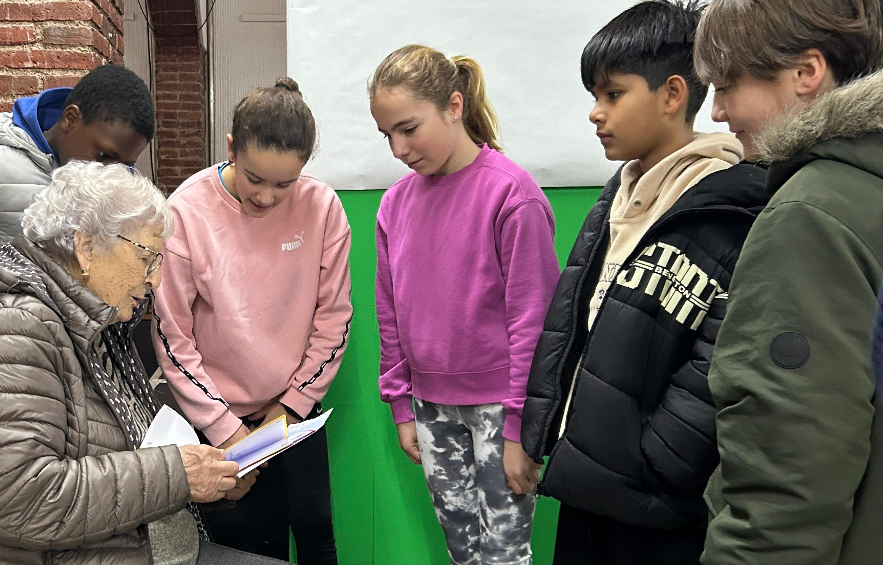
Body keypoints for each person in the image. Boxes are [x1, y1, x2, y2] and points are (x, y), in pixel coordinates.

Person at [519, 2, 770, 564]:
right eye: (594, 96)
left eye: (613, 94)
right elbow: (573, 319)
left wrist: (660, 457)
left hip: (657, 503)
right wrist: (541, 428)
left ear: (672, 94)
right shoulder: (618, 194)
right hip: (587, 479)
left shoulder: (729, 203)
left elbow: (723, 350)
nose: (595, 113)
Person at [0, 160, 290, 565]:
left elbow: (133, 453)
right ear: (86, 248)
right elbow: (23, 500)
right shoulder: (21, 326)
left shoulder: (95, 320)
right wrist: (179, 476)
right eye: (146, 258)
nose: (155, 279)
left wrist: (206, 479)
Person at [691, 1, 883, 563]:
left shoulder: (810, 214)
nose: (718, 112)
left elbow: (786, 487)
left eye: (726, 86)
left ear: (806, 72)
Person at [370, 44, 560, 565]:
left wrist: (520, 429)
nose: (398, 148)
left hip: (501, 410)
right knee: (461, 550)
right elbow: (390, 314)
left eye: (409, 128)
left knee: (503, 555)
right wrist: (401, 405)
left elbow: (534, 324)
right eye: (387, 134)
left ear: (454, 106)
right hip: (430, 406)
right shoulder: (394, 204)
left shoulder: (512, 195)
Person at [151, 78, 351, 564]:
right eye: (254, 178)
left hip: (294, 410)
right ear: (231, 149)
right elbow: (173, 337)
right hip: (218, 416)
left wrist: (293, 406)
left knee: (316, 530)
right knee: (246, 544)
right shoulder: (186, 212)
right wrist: (224, 428)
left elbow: (334, 318)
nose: (266, 197)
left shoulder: (322, 207)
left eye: (285, 184)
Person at [0, 64, 155, 243]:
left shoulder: (118, 185)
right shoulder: (5, 161)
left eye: (125, 166)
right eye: (104, 155)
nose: (110, 174)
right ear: (71, 119)